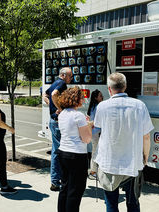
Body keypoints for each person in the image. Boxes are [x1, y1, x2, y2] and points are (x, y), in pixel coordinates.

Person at [94, 73, 153, 212]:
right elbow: (146, 137)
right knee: (133, 203)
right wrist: (145, 156)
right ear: (125, 87)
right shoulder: (139, 105)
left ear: (109, 89)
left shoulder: (102, 106)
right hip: (132, 162)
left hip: (108, 162)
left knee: (111, 203)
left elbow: (97, 131)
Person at [57, 86, 93, 212]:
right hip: (77, 155)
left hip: (63, 152)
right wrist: (89, 125)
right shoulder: (79, 115)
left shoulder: (62, 114)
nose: (83, 100)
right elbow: (87, 139)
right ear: (76, 99)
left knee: (65, 187)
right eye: (82, 97)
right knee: (76, 190)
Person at [42, 67, 73, 191]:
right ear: (64, 75)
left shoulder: (55, 82)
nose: (71, 78)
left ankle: (56, 180)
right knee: (59, 151)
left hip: (53, 121)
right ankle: (57, 181)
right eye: (70, 76)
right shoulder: (61, 83)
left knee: (56, 150)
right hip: (57, 122)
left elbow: (45, 94)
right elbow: (54, 94)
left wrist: (50, 104)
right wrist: (60, 108)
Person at [86, 89, 103, 179]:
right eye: (100, 96)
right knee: (95, 151)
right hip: (96, 132)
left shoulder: (92, 106)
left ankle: (94, 170)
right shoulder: (97, 107)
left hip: (93, 132)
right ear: (96, 98)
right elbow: (96, 121)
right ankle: (93, 171)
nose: (102, 97)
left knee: (95, 151)